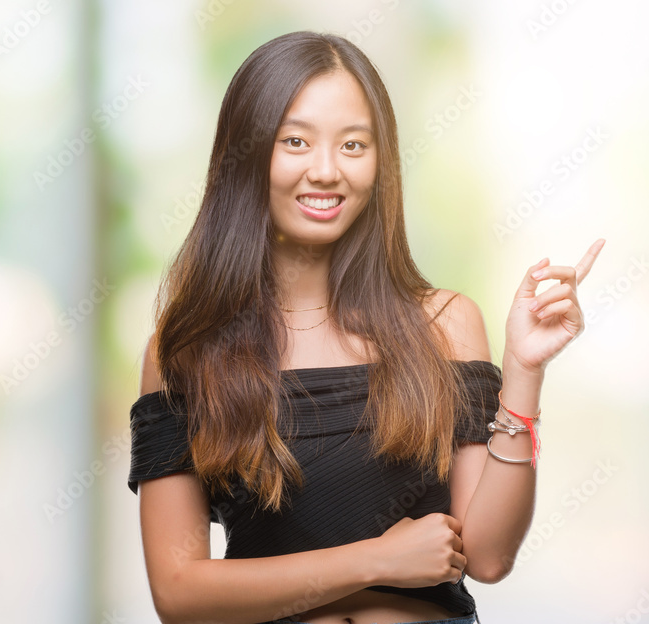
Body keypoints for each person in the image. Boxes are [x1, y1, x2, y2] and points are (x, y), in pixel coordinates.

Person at [126, 31, 605, 624]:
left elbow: (486, 556)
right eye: (295, 141)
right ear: (246, 155)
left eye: (354, 145)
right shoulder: (184, 354)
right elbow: (179, 594)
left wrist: (525, 373)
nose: (326, 171)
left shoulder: (443, 323)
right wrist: (376, 561)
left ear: (381, 163)